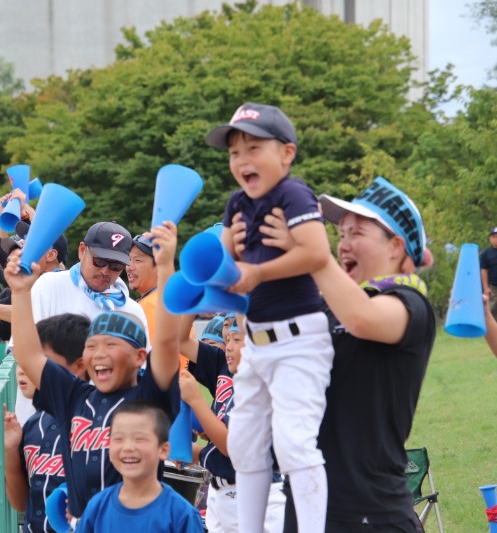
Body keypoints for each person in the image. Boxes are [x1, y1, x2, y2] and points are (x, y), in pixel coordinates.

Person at [232, 176, 435, 531]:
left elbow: (361, 318)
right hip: (309, 511)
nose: (343, 246)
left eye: (356, 234)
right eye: (341, 235)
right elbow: (258, 337)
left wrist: (312, 255)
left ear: (396, 246)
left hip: (373, 514)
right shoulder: (322, 310)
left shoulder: (410, 306)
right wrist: (244, 264)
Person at [206, 102, 334, 532]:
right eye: (234, 152)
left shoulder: (293, 193)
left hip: (300, 339)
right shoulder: (237, 203)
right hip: (256, 341)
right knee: (244, 445)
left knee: (295, 443)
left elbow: (317, 253)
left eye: (254, 147)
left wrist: (256, 270)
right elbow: (221, 264)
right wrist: (230, 256)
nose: (242, 160)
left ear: (287, 153)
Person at [5, 221, 182, 522]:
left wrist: (165, 268)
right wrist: (21, 292)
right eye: (92, 346)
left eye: (111, 345)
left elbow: (166, 342)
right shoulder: (74, 395)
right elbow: (28, 353)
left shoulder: (148, 398)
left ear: (141, 357)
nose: (99, 354)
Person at [14, 220, 150, 425]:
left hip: (99, 430)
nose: (105, 271)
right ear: (82, 250)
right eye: (99, 261)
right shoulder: (50, 285)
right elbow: (24, 348)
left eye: (116, 266)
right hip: (40, 421)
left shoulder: (132, 310)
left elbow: (143, 372)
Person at [179, 313, 285, 533]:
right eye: (227, 339)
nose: (228, 345)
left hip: (254, 497)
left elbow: (230, 447)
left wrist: (196, 400)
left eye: (237, 340)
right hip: (222, 495)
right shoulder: (239, 380)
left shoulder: (262, 386)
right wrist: (197, 452)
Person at [3, 313, 89, 533]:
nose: (24, 369)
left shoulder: (96, 425)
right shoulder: (34, 423)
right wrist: (10, 450)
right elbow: (21, 504)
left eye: (40, 361)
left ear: (80, 366)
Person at [76, 400, 204, 533]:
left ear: (164, 449)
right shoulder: (97, 508)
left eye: (139, 439)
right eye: (119, 438)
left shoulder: (181, 515)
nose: (128, 447)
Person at [127, 233, 191, 370]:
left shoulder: (151, 305)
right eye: (129, 259)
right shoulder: (168, 299)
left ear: (158, 267)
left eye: (137, 261)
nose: (129, 267)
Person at [480, 226, 497, 317]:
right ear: (490, 239)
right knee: (491, 310)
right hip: (493, 286)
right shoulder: (486, 253)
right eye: (493, 237)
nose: (495, 239)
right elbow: (484, 271)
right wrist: (486, 287)